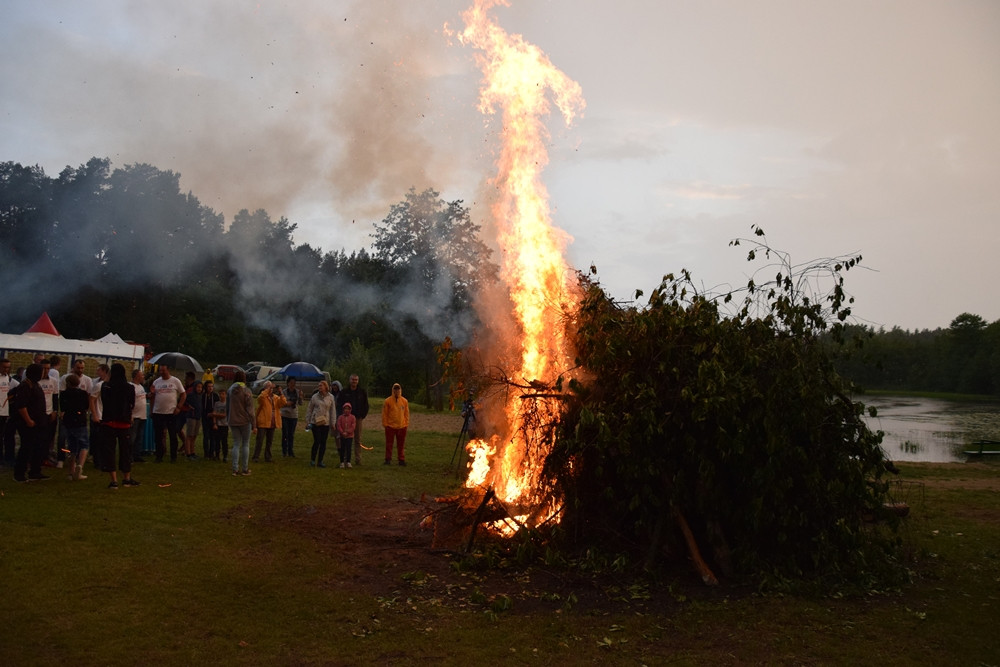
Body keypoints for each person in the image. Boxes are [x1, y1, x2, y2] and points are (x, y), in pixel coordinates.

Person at [100, 363, 138, 489]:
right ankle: (126, 478)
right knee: (125, 451)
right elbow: (132, 404)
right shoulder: (129, 388)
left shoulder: (106, 386)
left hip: (109, 422)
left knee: (110, 451)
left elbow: (104, 401)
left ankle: (114, 479)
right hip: (124, 422)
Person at [11, 363, 48, 482]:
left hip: (39, 422)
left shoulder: (35, 384)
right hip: (28, 423)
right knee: (26, 448)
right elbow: (21, 406)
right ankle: (19, 474)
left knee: (38, 447)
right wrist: (28, 420)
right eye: (42, 371)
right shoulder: (25, 386)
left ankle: (35, 471)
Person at [150, 365, 186, 463]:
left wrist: (179, 407)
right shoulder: (156, 382)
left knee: (172, 435)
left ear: (168, 370)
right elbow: (152, 397)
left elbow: (183, 394)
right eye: (160, 371)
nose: (162, 372)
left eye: (163, 370)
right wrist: (151, 410)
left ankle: (173, 456)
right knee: (158, 435)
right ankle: (159, 455)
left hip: (171, 412)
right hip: (158, 412)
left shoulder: (175, 381)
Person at [60, 373, 91, 480]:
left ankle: (71, 471)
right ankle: (80, 466)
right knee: (84, 445)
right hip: (80, 420)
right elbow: (87, 406)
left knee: (71, 446)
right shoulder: (83, 393)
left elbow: (62, 407)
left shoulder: (64, 394)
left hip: (68, 420)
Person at [226, 370, 255, 476]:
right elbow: (250, 408)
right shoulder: (247, 390)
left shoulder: (230, 390)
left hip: (233, 420)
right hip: (245, 420)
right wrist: (253, 422)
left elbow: (227, 406)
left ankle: (235, 469)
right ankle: (245, 468)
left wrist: (227, 417)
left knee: (236, 444)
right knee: (245, 444)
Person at [338, 374, 370, 466]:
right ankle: (345, 459)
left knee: (358, 439)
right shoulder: (344, 392)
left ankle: (358, 458)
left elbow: (366, 405)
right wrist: (342, 415)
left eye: (356, 380)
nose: (354, 381)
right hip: (346, 418)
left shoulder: (362, 392)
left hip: (357, 418)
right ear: (349, 380)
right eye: (353, 379)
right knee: (345, 438)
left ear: (358, 381)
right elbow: (339, 403)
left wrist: (362, 415)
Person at [252, 381, 285, 463]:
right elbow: (261, 398)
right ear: (265, 388)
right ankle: (256, 456)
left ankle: (268, 457)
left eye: (271, 387)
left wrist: (281, 393)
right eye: (268, 387)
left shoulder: (276, 397)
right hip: (263, 421)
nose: (271, 389)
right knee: (260, 440)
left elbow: (283, 403)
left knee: (269, 441)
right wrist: (267, 390)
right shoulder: (263, 396)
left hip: (272, 422)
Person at [305, 380, 336, 468]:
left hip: (325, 422)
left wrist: (333, 423)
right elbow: (309, 409)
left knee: (323, 442)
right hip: (315, 422)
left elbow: (332, 411)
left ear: (326, 387)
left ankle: (320, 461)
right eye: (319, 386)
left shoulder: (331, 397)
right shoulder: (315, 397)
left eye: (321, 386)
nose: (319, 387)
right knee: (317, 440)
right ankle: (312, 459)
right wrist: (308, 420)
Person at [382, 383, 410, 466]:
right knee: (389, 444)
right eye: (395, 389)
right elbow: (385, 413)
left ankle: (401, 459)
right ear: (392, 390)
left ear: (400, 390)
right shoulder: (388, 401)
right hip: (390, 426)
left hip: (402, 426)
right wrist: (385, 424)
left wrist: (406, 424)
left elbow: (406, 413)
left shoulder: (404, 401)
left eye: (398, 389)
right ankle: (388, 459)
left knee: (401, 445)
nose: (396, 391)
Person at [88, 364, 110, 469]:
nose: (97, 373)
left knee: (105, 440)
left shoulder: (110, 385)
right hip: (98, 415)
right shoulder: (99, 385)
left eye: (99, 370)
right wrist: (94, 414)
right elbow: (91, 400)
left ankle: (103, 459)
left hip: (106, 416)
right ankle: (97, 460)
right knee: (97, 439)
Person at [0, 357, 19, 467]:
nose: (6, 369)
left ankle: (7, 458)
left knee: (6, 436)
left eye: (8, 367)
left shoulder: (10, 380)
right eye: (4, 367)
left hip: (5, 412)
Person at [279, 378, 303, 458]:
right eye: (291, 382)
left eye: (294, 383)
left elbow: (300, 403)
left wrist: (300, 397)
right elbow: (281, 403)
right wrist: (286, 403)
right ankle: (284, 451)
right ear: (288, 383)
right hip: (285, 414)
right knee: (285, 433)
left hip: (293, 415)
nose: (293, 384)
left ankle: (290, 450)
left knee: (291, 434)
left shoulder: (297, 392)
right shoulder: (284, 392)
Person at [181, 380, 204, 460]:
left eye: (201, 387)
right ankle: (188, 453)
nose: (199, 389)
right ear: (195, 387)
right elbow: (183, 401)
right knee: (189, 435)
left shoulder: (200, 396)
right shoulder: (190, 395)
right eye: (198, 387)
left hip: (198, 417)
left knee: (194, 435)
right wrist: (189, 406)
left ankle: (193, 451)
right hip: (191, 416)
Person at [129, 369, 148, 463]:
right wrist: (130, 415)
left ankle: (137, 455)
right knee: (132, 437)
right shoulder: (131, 386)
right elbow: (129, 402)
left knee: (139, 437)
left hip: (142, 415)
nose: (143, 377)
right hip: (135, 416)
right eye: (142, 375)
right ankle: (129, 456)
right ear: (137, 376)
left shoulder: (141, 386)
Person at [201, 380, 219, 459]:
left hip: (213, 418)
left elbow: (218, 406)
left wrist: (214, 414)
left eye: (212, 386)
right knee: (206, 436)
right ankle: (206, 453)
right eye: (209, 386)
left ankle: (212, 452)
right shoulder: (203, 396)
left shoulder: (215, 396)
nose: (210, 388)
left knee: (213, 436)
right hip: (205, 418)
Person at [211, 388, 229, 463]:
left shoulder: (227, 404)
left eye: (223, 394)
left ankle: (225, 456)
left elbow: (224, 415)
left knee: (224, 441)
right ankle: (217, 455)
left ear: (226, 395)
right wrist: (214, 423)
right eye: (220, 394)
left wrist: (215, 414)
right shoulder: (217, 404)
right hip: (218, 424)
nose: (221, 396)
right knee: (217, 441)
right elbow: (213, 414)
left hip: (225, 424)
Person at [336, 402, 356, 469]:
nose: (346, 410)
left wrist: (347, 432)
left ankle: (348, 461)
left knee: (349, 449)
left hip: (350, 436)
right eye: (345, 409)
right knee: (342, 449)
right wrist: (342, 432)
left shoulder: (353, 417)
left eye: (348, 409)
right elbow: (338, 425)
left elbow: (353, 426)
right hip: (342, 436)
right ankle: (342, 462)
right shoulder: (340, 417)